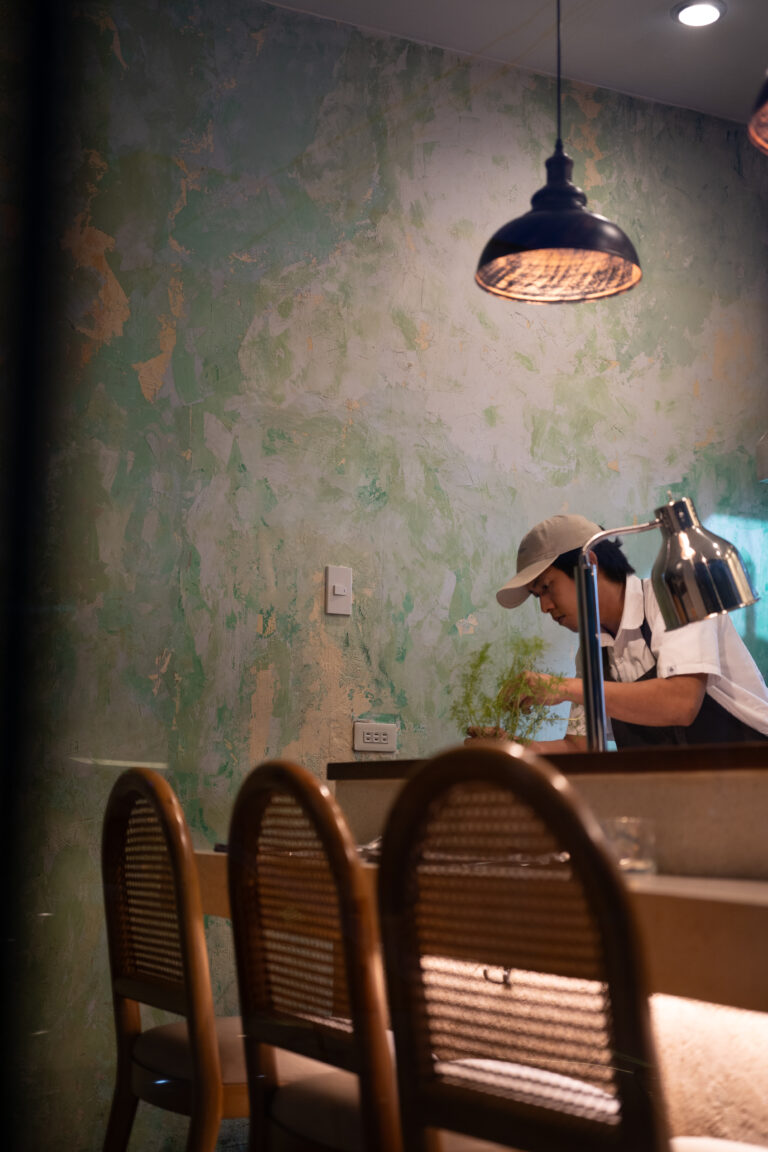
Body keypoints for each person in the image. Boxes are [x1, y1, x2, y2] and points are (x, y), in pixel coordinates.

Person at [493, 513, 768, 752]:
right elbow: (579, 746)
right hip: (680, 788)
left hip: (751, 772)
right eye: (537, 596)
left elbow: (681, 702)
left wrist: (562, 688)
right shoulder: (593, 651)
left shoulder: (672, 596)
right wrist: (514, 749)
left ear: (589, 564)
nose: (544, 607)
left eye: (546, 587)